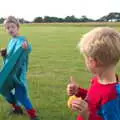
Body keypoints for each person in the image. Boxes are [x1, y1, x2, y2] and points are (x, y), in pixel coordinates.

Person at [67, 27, 120, 120]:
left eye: (86, 58)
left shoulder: (112, 96)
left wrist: (86, 115)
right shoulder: (99, 81)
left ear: (93, 62)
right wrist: (79, 92)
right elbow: (95, 98)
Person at [0, 16, 39, 120]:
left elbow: (28, 47)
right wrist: (4, 54)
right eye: (8, 28)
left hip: (18, 73)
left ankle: (33, 116)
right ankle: (17, 108)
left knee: (20, 94)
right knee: (4, 90)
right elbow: (10, 57)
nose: (10, 29)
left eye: (12, 27)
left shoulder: (22, 39)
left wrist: (27, 48)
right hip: (9, 73)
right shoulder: (12, 40)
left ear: (18, 27)